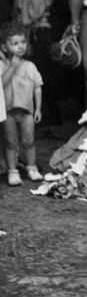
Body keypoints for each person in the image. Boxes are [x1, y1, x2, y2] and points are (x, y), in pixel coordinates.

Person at [0, 23, 43, 186]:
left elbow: (38, 87)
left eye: (23, 42)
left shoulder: (30, 66)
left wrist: (38, 108)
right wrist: (12, 67)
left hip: (27, 112)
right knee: (11, 142)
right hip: (9, 112)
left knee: (29, 141)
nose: (20, 47)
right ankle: (12, 170)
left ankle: (31, 167)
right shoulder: (3, 66)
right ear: (5, 46)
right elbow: (1, 84)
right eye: (15, 43)